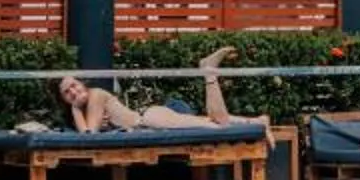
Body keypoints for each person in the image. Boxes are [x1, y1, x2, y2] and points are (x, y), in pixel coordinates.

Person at [57, 46, 238, 134]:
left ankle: (209, 72)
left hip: (149, 118)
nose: (73, 92)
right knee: (215, 121)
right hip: (149, 120)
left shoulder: (95, 95)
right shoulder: (86, 109)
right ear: (62, 99)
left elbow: (89, 136)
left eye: (74, 85)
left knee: (219, 126)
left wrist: (75, 109)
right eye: (67, 92)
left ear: (83, 84)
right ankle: (251, 120)